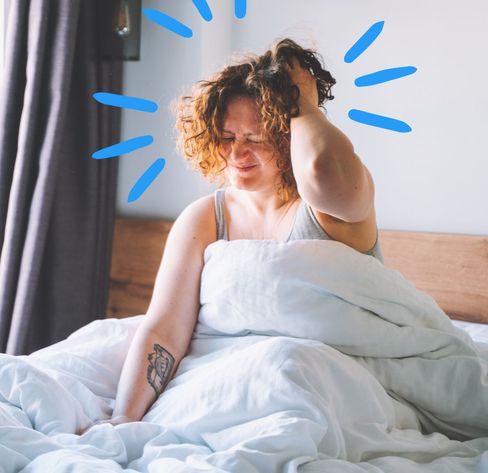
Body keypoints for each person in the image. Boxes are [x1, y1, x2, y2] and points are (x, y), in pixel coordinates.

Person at [89, 38, 383, 431]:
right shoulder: (204, 219)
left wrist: (303, 104)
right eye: (228, 137)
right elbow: (164, 329)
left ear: (287, 135)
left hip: (318, 385)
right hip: (224, 386)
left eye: (257, 139)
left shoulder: (333, 208)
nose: (238, 154)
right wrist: (124, 417)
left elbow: (322, 172)